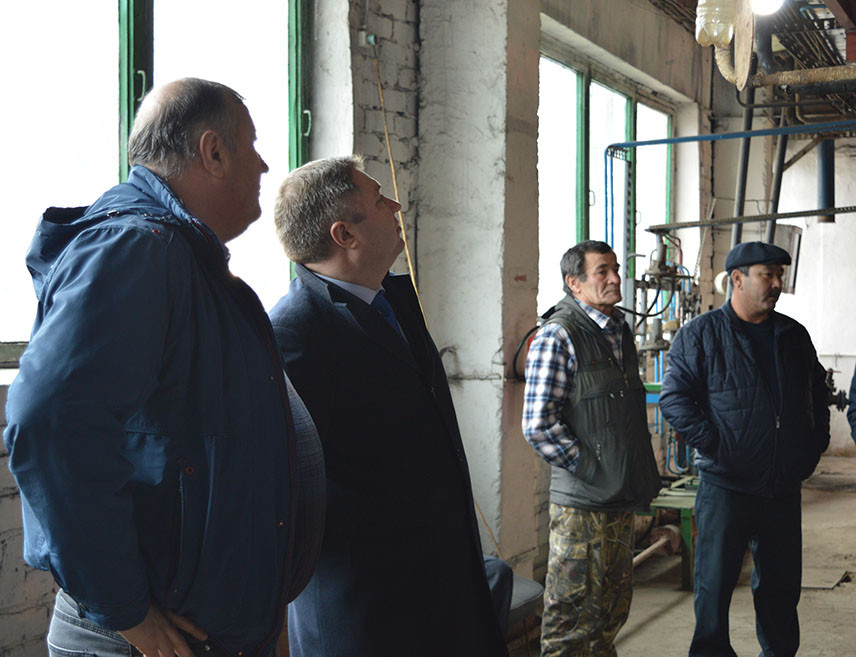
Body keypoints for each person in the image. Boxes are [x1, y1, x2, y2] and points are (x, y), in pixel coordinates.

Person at [4, 78, 325, 657]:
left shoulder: (183, 258)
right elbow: (50, 421)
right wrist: (128, 613)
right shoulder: (139, 249)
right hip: (148, 640)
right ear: (213, 152)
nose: (263, 164)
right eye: (252, 145)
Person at [269, 156, 510, 657]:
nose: (396, 205)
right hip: (368, 611)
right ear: (345, 234)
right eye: (379, 199)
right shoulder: (294, 334)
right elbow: (287, 496)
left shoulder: (391, 299)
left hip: (439, 585)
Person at [660, 241, 830, 657]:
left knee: (780, 589)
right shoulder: (700, 335)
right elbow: (675, 400)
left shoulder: (793, 335)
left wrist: (813, 445)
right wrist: (718, 445)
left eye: (779, 275)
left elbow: (817, 391)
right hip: (727, 486)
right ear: (737, 279)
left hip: (782, 487)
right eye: (766, 275)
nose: (776, 284)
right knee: (714, 587)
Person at [522, 239, 661, 657]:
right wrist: (591, 467)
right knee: (571, 616)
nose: (615, 278)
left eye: (615, 269)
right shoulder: (558, 334)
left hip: (619, 496)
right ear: (574, 283)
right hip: (582, 505)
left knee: (610, 609)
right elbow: (538, 424)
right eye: (602, 271)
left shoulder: (619, 331)